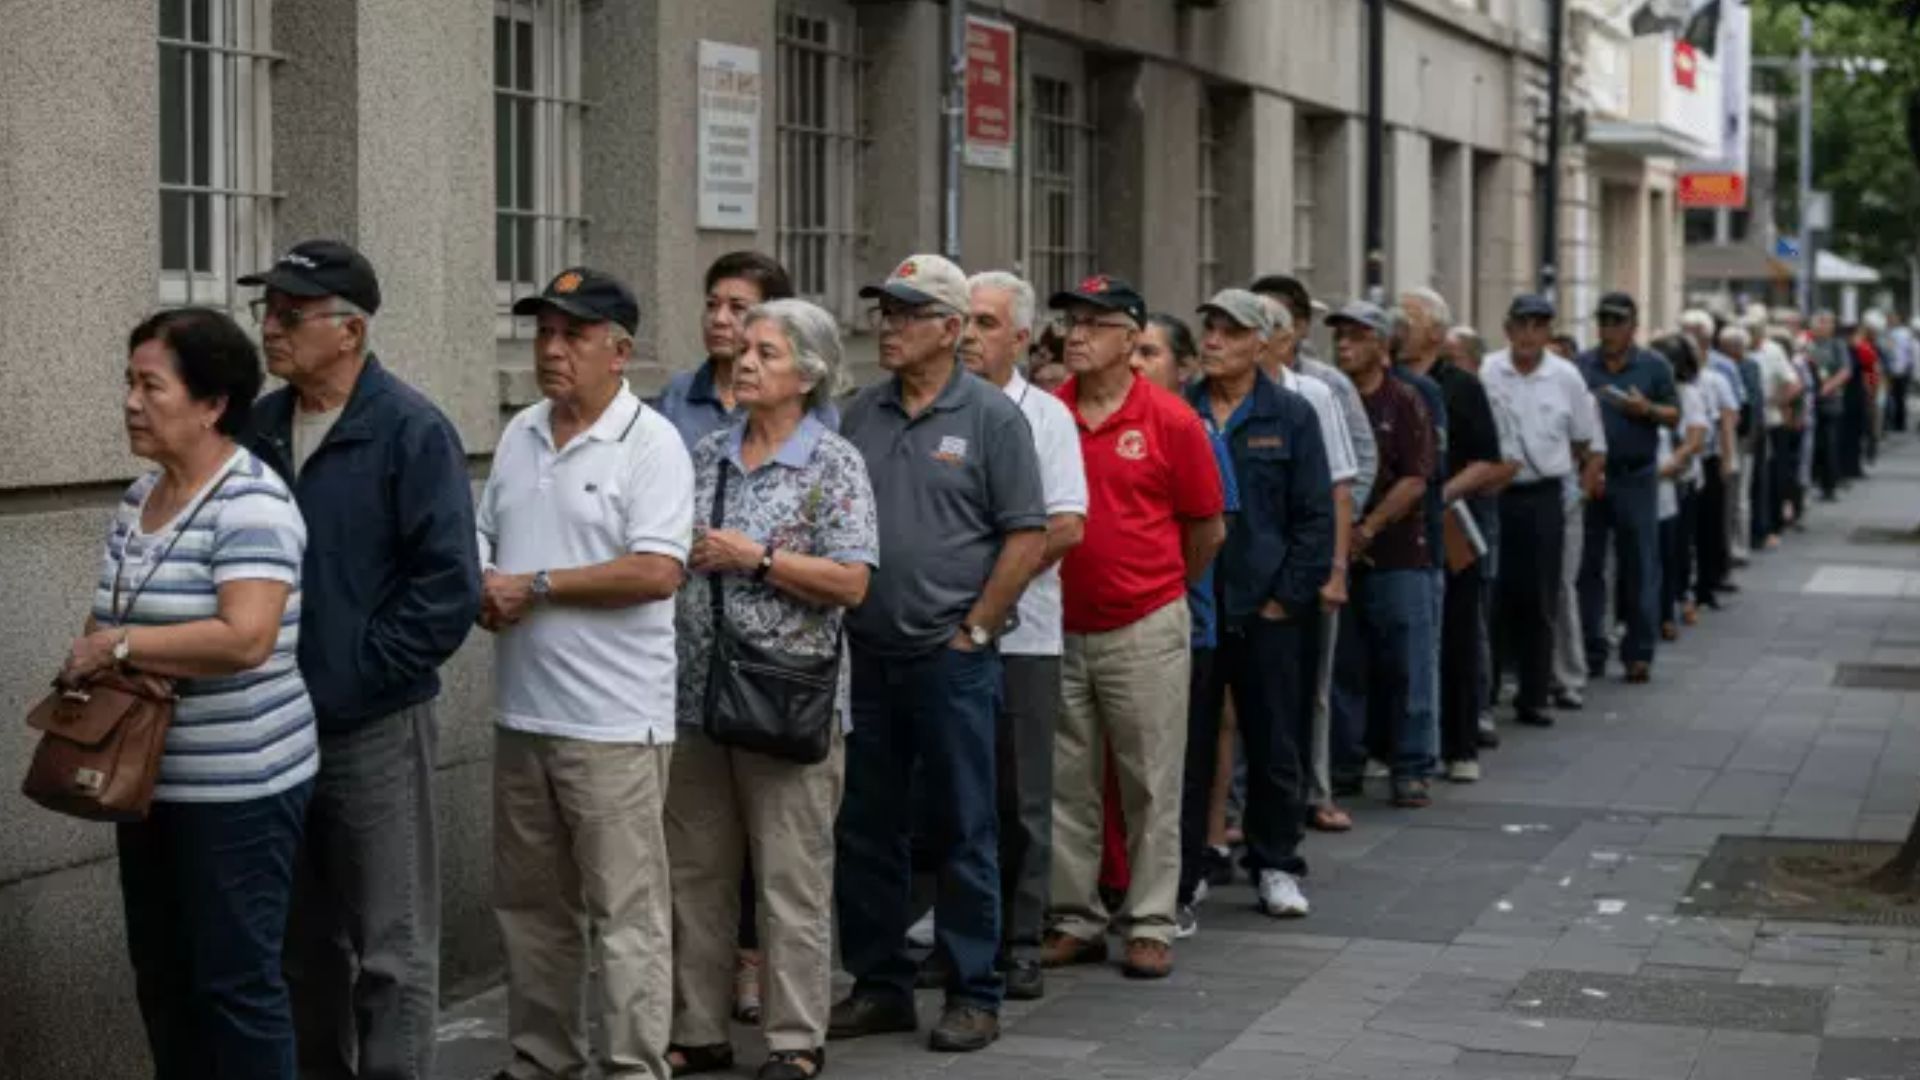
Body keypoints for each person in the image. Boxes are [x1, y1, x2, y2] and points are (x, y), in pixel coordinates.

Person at [241, 240, 481, 1080]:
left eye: (290, 315)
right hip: (270, 728)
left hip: (372, 724)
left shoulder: (409, 430)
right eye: (265, 312)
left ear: (350, 330)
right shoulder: (259, 427)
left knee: (391, 948)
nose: (270, 329)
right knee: (304, 946)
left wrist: (356, 673)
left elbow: (449, 588)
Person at [74, 307, 316, 1079]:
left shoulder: (252, 502)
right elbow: (106, 614)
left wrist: (121, 645)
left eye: (152, 386)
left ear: (212, 403)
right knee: (165, 980)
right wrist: (100, 647)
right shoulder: (138, 499)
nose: (132, 402)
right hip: (145, 782)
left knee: (235, 985)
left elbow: (246, 636)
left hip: (240, 790)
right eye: (128, 383)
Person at [477, 267, 695, 1080]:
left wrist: (533, 586)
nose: (552, 349)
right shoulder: (522, 432)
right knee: (532, 910)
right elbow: (485, 533)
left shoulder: (652, 444)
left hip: (613, 723)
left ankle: (634, 1067)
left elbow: (657, 570)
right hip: (524, 712)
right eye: (543, 333)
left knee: (626, 914)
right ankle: (543, 1059)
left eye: (573, 334)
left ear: (621, 350)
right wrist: (481, 582)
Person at [829, 254, 1047, 1053]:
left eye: (906, 313)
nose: (887, 325)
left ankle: (974, 990)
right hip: (867, 658)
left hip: (953, 658)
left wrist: (978, 627)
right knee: (867, 828)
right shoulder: (860, 414)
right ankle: (880, 984)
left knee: (964, 826)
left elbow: (1029, 533)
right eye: (884, 310)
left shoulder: (991, 418)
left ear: (951, 331)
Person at [664, 299, 877, 1080]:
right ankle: (698, 1027)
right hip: (697, 697)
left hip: (790, 702)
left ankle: (794, 1039)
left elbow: (853, 581)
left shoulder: (834, 463)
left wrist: (757, 559)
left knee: (791, 875)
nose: (745, 361)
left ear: (809, 374)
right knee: (696, 872)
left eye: (766, 352)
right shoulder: (708, 453)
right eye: (743, 349)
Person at [1040, 273, 1224, 979]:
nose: (1075, 335)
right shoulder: (1049, 413)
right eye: (1070, 323)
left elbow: (1207, 529)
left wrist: (1162, 589)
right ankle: (1076, 917)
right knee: (1068, 782)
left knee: (1150, 780)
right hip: (1061, 624)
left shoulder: (1170, 419)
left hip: (1144, 625)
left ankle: (1150, 920)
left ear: (1129, 338)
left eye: (1094, 323)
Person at [1182, 289, 1334, 926]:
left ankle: (1276, 862)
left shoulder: (1292, 415)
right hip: (1194, 608)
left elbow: (1314, 518)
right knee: (1188, 747)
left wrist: (1285, 600)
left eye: (1231, 331)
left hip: (1267, 611)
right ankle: (1185, 868)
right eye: (1209, 327)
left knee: (1274, 741)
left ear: (1263, 344)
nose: (1214, 340)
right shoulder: (1180, 411)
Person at [960, 271, 1088, 1001]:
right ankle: (960, 936)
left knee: (1021, 799)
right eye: (964, 322)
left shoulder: (1045, 417)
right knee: (952, 794)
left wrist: (985, 592)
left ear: (1020, 337)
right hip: (942, 634)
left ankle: (1019, 940)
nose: (970, 336)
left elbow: (1065, 524)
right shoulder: (940, 409)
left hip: (1022, 636)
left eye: (985, 322)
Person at [1248, 274, 1376, 829]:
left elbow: (1345, 480)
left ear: (1295, 332)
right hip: (1248, 565)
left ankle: (1315, 789)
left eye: (1271, 325)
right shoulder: (1216, 394)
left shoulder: (1320, 391)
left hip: (1309, 557)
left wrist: (1337, 561)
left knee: (1313, 687)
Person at [1404, 288, 1519, 782]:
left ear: (1433, 331)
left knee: (1457, 631)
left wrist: (1441, 495)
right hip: (1398, 530)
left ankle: (1460, 743)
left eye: (1405, 318)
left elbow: (1489, 460)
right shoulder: (1387, 381)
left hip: (1452, 525)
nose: (1396, 325)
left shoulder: (1460, 385)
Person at [1329, 300, 1438, 807]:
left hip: (1397, 552)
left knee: (1407, 664)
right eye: (1340, 336)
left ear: (1382, 344)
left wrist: (1366, 527)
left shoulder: (1406, 400)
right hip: (1342, 554)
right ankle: (1345, 762)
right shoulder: (1330, 399)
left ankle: (1411, 765)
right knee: (1346, 665)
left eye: (1356, 336)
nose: (1344, 345)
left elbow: (1416, 478)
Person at [1482, 295, 1603, 729]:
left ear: (1549, 332)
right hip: (1497, 493)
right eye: (1523, 325)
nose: (1530, 335)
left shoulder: (1566, 376)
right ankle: (1486, 696)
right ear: (1508, 329)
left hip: (1544, 495)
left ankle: (1534, 696)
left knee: (1541, 598)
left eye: (1539, 326)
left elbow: (1583, 440)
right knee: (1493, 598)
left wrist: (1570, 486)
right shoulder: (1489, 370)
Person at [1577, 291, 1679, 685]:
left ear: (1632, 327)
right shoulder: (1582, 366)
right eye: (1603, 321)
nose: (1608, 329)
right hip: (1593, 474)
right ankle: (1591, 650)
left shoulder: (1653, 366)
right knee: (1589, 566)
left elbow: (1674, 414)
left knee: (1639, 563)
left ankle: (1638, 652)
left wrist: (1647, 410)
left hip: (1636, 475)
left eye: (1616, 322)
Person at [656, 251, 815, 447]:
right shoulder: (677, 395)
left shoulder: (800, 398)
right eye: (712, 305)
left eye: (738, 307)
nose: (719, 319)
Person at [1656, 336, 1710, 640]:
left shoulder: (1688, 394)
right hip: (1653, 480)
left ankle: (1678, 600)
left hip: (1681, 480)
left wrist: (1674, 460)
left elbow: (1696, 437)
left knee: (1676, 547)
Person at [1808, 312, 1849, 500]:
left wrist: (1828, 387)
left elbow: (1845, 370)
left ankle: (1829, 485)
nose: (1823, 326)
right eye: (1820, 322)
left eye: (1827, 323)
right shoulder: (1808, 343)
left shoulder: (1837, 345)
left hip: (1829, 402)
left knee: (1829, 443)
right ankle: (1814, 480)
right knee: (1813, 444)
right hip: (1809, 401)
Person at [1886, 315, 1916, 433]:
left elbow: (1908, 351)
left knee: (1898, 397)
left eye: (1891, 319)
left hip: (1898, 370)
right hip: (1898, 370)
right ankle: (1898, 422)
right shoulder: (1901, 333)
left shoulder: (1899, 334)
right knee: (1898, 397)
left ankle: (1899, 423)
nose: (1890, 321)